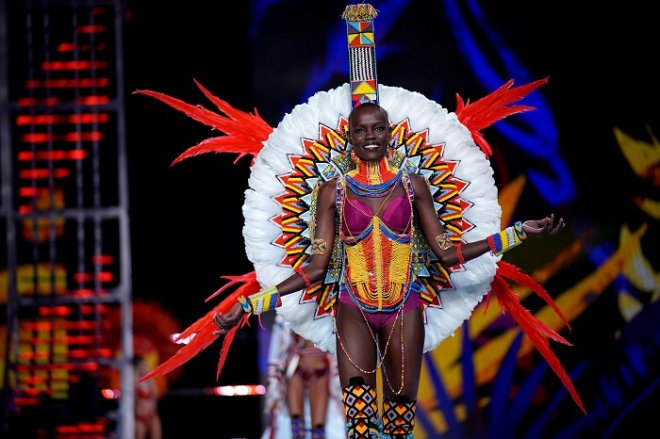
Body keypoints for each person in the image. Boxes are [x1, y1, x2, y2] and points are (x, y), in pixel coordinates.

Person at [214, 102, 566, 438]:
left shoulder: (413, 186)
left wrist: (516, 233)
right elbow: (316, 268)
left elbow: (447, 254)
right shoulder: (331, 192)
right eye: (362, 130)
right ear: (349, 137)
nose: (370, 137)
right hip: (353, 308)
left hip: (404, 309)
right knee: (360, 422)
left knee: (399, 420)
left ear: (389, 133)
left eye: (378, 128)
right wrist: (249, 306)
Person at [262, 314, 345, 439]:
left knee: (318, 430)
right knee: (296, 428)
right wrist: (274, 384)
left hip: (320, 371)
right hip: (296, 369)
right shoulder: (289, 306)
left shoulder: (330, 306)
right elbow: (278, 344)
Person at [134, 356, 163, 439]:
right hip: (140, 416)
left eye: (145, 365)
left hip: (152, 414)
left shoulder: (150, 382)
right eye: (142, 366)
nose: (144, 368)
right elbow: (133, 389)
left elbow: (156, 393)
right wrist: (137, 372)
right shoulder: (135, 381)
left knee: (157, 435)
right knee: (140, 433)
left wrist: (149, 376)